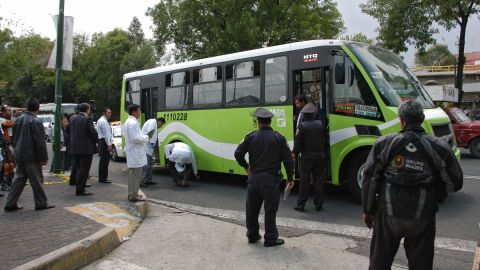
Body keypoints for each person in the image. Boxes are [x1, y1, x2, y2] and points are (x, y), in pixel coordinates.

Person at [362, 99, 463, 269]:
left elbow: (370, 178)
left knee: (380, 263)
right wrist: (436, 194)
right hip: (423, 216)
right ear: (422, 118)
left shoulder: (384, 143)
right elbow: (454, 183)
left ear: (401, 120)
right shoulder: (439, 146)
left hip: (388, 214)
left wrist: (368, 210)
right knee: (420, 264)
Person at [234, 108, 294, 247]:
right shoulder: (278, 137)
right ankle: (270, 238)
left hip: (254, 179)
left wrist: (246, 166)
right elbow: (288, 160)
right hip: (271, 181)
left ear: (257, 122)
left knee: (252, 209)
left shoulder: (251, 136)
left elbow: (238, 153)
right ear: (270, 121)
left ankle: (253, 235)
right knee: (270, 211)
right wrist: (290, 178)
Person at [4, 98, 54, 211]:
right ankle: (41, 203)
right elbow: (40, 142)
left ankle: (10, 203)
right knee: (37, 180)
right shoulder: (35, 121)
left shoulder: (18, 119)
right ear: (37, 108)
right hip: (31, 156)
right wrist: (43, 158)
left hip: (19, 154)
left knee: (19, 179)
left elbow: (13, 138)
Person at [292, 103, 325, 212]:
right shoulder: (320, 124)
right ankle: (319, 204)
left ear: (305, 115)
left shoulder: (302, 126)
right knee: (318, 180)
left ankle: (301, 204)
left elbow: (298, 143)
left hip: (307, 157)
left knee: (304, 181)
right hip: (320, 155)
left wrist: (294, 154)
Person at [70, 103, 98, 196]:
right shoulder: (87, 119)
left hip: (75, 147)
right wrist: (96, 140)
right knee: (84, 169)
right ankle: (80, 189)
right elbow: (92, 132)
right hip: (86, 148)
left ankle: (80, 184)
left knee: (79, 167)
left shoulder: (73, 118)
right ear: (87, 109)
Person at [124, 104, 149, 201]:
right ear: (134, 112)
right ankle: (133, 195)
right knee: (136, 175)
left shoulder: (129, 121)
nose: (140, 112)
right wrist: (146, 137)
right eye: (139, 110)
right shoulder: (133, 123)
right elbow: (135, 138)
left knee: (132, 175)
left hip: (133, 152)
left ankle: (132, 193)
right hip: (135, 152)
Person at [140, 117, 166, 188]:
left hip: (149, 147)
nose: (161, 126)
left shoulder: (153, 123)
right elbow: (150, 133)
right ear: (160, 121)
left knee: (150, 164)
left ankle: (148, 180)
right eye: (162, 124)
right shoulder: (153, 123)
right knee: (146, 165)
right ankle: (142, 181)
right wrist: (151, 143)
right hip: (146, 147)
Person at [96, 107, 113, 184]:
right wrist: (109, 144)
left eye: (110, 112)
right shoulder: (103, 121)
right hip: (104, 142)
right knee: (104, 161)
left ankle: (102, 177)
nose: (110, 114)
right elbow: (106, 134)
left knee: (104, 160)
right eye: (108, 112)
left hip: (103, 141)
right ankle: (103, 178)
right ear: (104, 113)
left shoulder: (102, 120)